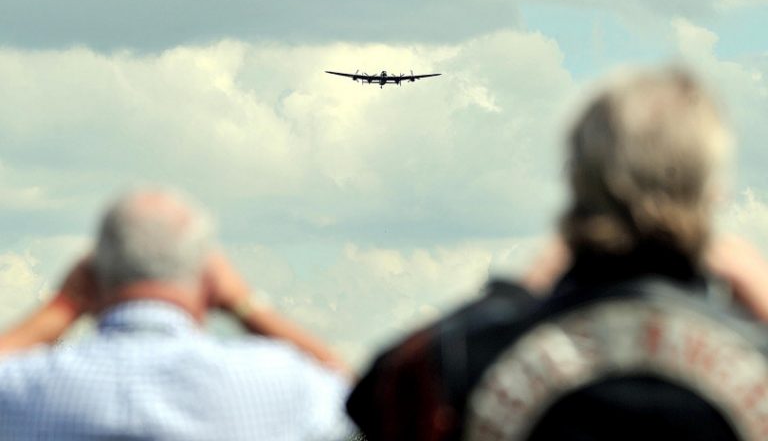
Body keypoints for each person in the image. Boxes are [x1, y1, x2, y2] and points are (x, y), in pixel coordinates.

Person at [347, 68, 768, 440]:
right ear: (714, 191)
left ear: (575, 178)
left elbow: (375, 399)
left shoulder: (473, 359)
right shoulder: (752, 350)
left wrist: (516, 291)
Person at [0, 189, 353, 440]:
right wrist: (245, 302)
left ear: (91, 274)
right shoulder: (269, 381)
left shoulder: (25, 387)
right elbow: (359, 397)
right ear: (212, 279)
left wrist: (62, 305)